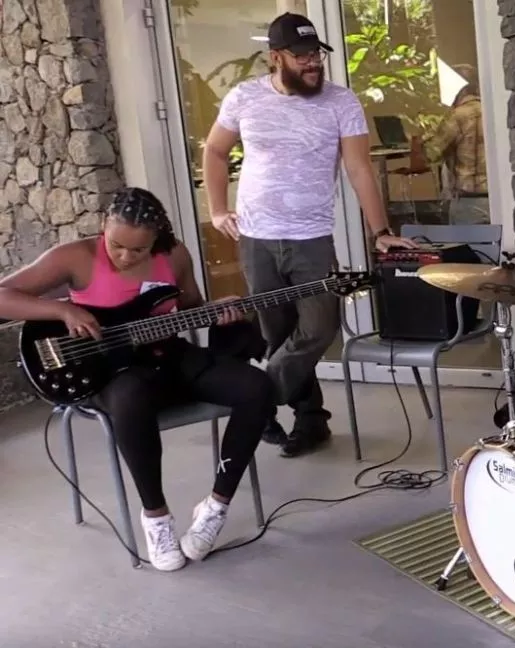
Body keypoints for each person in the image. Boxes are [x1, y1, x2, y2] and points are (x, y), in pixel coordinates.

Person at [0, 187, 275, 572]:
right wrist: (61, 312)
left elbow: (191, 306)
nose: (126, 257)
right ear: (103, 226)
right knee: (131, 397)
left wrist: (218, 310)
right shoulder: (75, 257)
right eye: (117, 245)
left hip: (169, 357)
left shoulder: (175, 254)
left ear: (156, 240)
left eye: (139, 250)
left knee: (257, 387)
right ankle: (156, 519)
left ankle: (215, 508)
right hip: (108, 371)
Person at [202, 12, 415, 458]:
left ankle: (257, 400)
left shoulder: (341, 102)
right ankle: (310, 420)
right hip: (257, 238)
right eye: (301, 56)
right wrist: (217, 209)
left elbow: (359, 168)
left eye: (316, 53)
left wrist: (380, 231)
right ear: (275, 57)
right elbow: (216, 150)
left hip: (312, 238)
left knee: (318, 327)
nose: (313, 62)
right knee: (278, 335)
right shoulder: (245, 98)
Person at [421, 64, 489, 225]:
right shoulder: (491, 111)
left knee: (466, 241)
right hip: (495, 198)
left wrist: (424, 137)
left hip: (468, 202)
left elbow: (431, 154)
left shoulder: (457, 116)